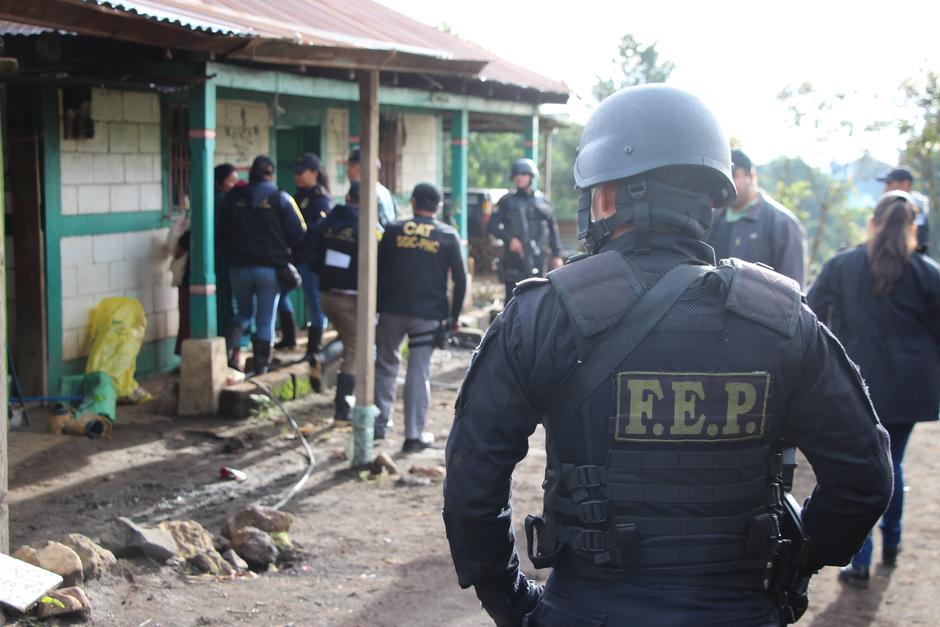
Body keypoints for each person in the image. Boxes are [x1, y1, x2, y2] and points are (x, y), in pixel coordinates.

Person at [442, 84, 892, 626]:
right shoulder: (781, 320)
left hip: (587, 611)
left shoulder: (543, 314)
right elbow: (865, 478)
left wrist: (512, 602)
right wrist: (796, 565)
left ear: (608, 195)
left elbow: (472, 487)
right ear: (710, 197)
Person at [808, 190, 940, 587]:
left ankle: (859, 559)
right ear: (913, 229)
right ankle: (893, 543)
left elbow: (811, 314)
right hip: (909, 388)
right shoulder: (927, 272)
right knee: (893, 463)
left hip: (857, 382)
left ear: (872, 223)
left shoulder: (842, 265)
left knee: (864, 466)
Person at [373, 183, 467, 451]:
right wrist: (453, 317)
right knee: (418, 372)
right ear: (437, 207)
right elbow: (460, 280)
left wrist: (377, 306)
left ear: (413, 202)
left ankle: (379, 425)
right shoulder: (447, 236)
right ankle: (413, 436)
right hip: (427, 316)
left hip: (391, 310)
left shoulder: (392, 231)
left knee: (386, 365)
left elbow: (378, 268)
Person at [219, 156, 306, 375]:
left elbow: (221, 226)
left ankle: (224, 356)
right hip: (270, 270)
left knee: (244, 313)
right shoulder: (281, 198)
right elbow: (299, 232)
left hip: (239, 268)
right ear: (272, 175)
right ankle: (261, 368)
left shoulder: (233, 197)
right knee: (265, 320)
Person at [706, 149, 807, 287]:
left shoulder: (782, 223)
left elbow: (794, 289)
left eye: (734, 176)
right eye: (724, 177)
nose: (728, 183)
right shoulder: (710, 219)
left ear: (751, 176)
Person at [274, 153, 332, 355]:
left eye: (301, 172)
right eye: (295, 173)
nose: (297, 177)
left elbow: (317, 231)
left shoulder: (320, 200)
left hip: (310, 259)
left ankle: (314, 349)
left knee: (315, 305)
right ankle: (289, 337)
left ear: (314, 173)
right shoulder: (297, 197)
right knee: (279, 294)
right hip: (293, 257)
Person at [315, 182, 362, 421]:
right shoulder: (366, 226)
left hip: (325, 294)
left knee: (347, 338)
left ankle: (321, 357)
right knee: (355, 348)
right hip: (350, 298)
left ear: (347, 196)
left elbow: (311, 253)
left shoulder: (326, 221)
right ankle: (343, 408)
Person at [487, 158, 563, 302]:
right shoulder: (507, 201)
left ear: (531, 176)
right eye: (516, 175)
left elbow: (553, 229)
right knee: (512, 300)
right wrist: (510, 239)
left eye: (523, 174)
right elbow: (492, 225)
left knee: (538, 299)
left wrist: (557, 254)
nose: (519, 177)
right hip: (514, 260)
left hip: (538, 258)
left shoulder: (543, 201)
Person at [877, 167, 931, 254]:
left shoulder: (915, 204)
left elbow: (919, 238)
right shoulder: (888, 204)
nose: (886, 188)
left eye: (889, 183)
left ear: (905, 184)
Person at [214, 163, 239, 344]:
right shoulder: (223, 201)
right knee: (228, 303)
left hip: (227, 257)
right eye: (231, 181)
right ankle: (232, 347)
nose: (234, 185)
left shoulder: (228, 200)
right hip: (223, 257)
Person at [347, 147, 397, 228]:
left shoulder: (367, 192)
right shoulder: (382, 190)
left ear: (356, 169)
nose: (347, 174)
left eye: (348, 168)